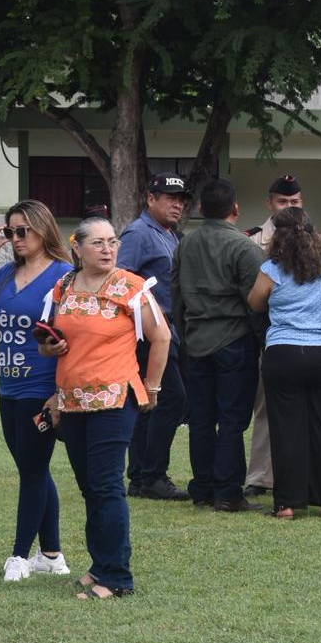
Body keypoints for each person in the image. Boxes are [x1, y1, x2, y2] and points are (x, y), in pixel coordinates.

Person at [36, 216, 170, 599]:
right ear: (76, 248)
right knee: (89, 487)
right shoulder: (63, 286)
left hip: (115, 399)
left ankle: (116, 577)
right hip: (73, 400)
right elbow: (48, 341)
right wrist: (51, 348)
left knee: (108, 486)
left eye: (112, 241)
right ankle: (100, 565)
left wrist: (153, 386)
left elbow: (161, 336)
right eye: (98, 242)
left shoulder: (132, 286)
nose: (108, 248)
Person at [0, 200, 75, 583]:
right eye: (10, 232)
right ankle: (52, 555)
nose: (15, 239)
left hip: (40, 387)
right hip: (8, 386)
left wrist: (59, 392)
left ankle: (19, 556)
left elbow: (71, 334)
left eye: (22, 231)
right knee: (34, 468)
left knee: (32, 471)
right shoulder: (8, 273)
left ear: (43, 230)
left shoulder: (63, 276)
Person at [246, 207, 321, 519]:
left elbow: (255, 302)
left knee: (286, 429)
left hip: (285, 354)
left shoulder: (272, 268)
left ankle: (287, 504)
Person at [172, 179, 266, 512]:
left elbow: (176, 294)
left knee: (200, 418)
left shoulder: (186, 244)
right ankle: (227, 492)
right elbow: (257, 303)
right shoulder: (245, 248)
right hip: (234, 340)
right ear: (235, 209)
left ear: (199, 208)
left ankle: (203, 488)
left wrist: (184, 333)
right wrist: (263, 342)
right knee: (231, 419)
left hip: (196, 340)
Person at [117, 172, 190, 501]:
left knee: (149, 402)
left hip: (167, 329)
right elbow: (120, 279)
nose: (177, 204)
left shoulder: (168, 234)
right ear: (150, 199)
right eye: (169, 197)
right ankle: (153, 474)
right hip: (146, 332)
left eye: (181, 199)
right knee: (171, 398)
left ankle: (141, 476)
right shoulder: (138, 233)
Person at [245, 175, 305, 498]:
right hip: (265, 335)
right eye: (283, 202)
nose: (288, 207)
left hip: (306, 336)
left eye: (294, 202)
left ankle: (302, 475)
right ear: (270, 204)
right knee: (265, 409)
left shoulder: (315, 241)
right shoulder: (253, 242)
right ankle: (261, 476)